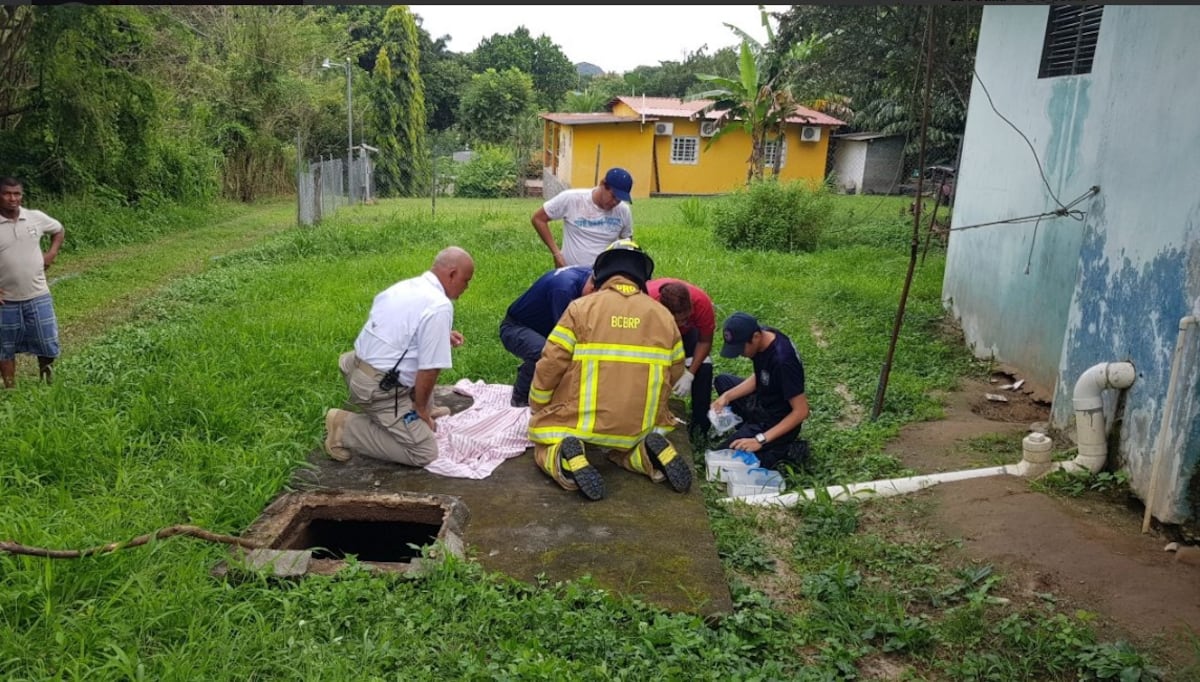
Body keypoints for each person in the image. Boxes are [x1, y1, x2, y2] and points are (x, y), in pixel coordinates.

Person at [527, 239, 691, 501]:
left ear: (602, 272)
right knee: (624, 450)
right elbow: (675, 372)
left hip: (582, 422)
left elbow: (550, 363)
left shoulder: (580, 309)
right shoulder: (663, 316)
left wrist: (539, 404)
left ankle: (565, 459)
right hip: (640, 424)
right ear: (642, 276)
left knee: (544, 443)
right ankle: (648, 455)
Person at [324, 246, 474, 467]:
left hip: (355, 365)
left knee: (423, 371)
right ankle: (344, 428)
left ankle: (415, 413)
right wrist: (422, 411)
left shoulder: (407, 286)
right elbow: (429, 369)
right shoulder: (440, 306)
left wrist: (441, 335)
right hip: (378, 390)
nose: (466, 287)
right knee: (424, 451)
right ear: (452, 274)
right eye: (466, 280)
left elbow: (395, 328)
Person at [711, 312, 810, 470]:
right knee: (723, 382)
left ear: (756, 337)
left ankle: (784, 448)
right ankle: (747, 426)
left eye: (741, 349)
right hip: (762, 399)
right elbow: (760, 376)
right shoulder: (764, 337)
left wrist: (759, 440)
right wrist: (726, 397)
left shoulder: (783, 361)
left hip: (775, 418)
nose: (741, 355)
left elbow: (801, 411)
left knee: (723, 455)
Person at [0, 177, 65, 389]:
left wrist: (51, 254)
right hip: (5, 300)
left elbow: (58, 230)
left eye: (17, 193)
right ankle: (10, 390)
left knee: (46, 343)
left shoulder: (35, 217)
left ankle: (47, 384)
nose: (12, 198)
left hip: (38, 295)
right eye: (7, 193)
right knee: (4, 347)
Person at [500, 265, 595, 408]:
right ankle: (520, 398)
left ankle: (532, 374)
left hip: (541, 328)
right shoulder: (564, 290)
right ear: (593, 288)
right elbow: (566, 339)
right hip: (514, 328)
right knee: (545, 352)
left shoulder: (589, 275)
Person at [647, 278, 716, 441]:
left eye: (685, 318)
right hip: (653, 333)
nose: (680, 323)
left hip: (689, 335)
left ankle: (700, 429)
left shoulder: (702, 303)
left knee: (704, 368)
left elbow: (705, 341)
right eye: (676, 320)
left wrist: (690, 374)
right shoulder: (646, 301)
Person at [531, 167, 633, 268]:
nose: (615, 202)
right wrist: (557, 254)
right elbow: (538, 219)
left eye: (620, 199)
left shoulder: (623, 211)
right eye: (613, 196)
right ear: (602, 184)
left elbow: (627, 241)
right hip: (571, 271)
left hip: (603, 274)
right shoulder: (572, 199)